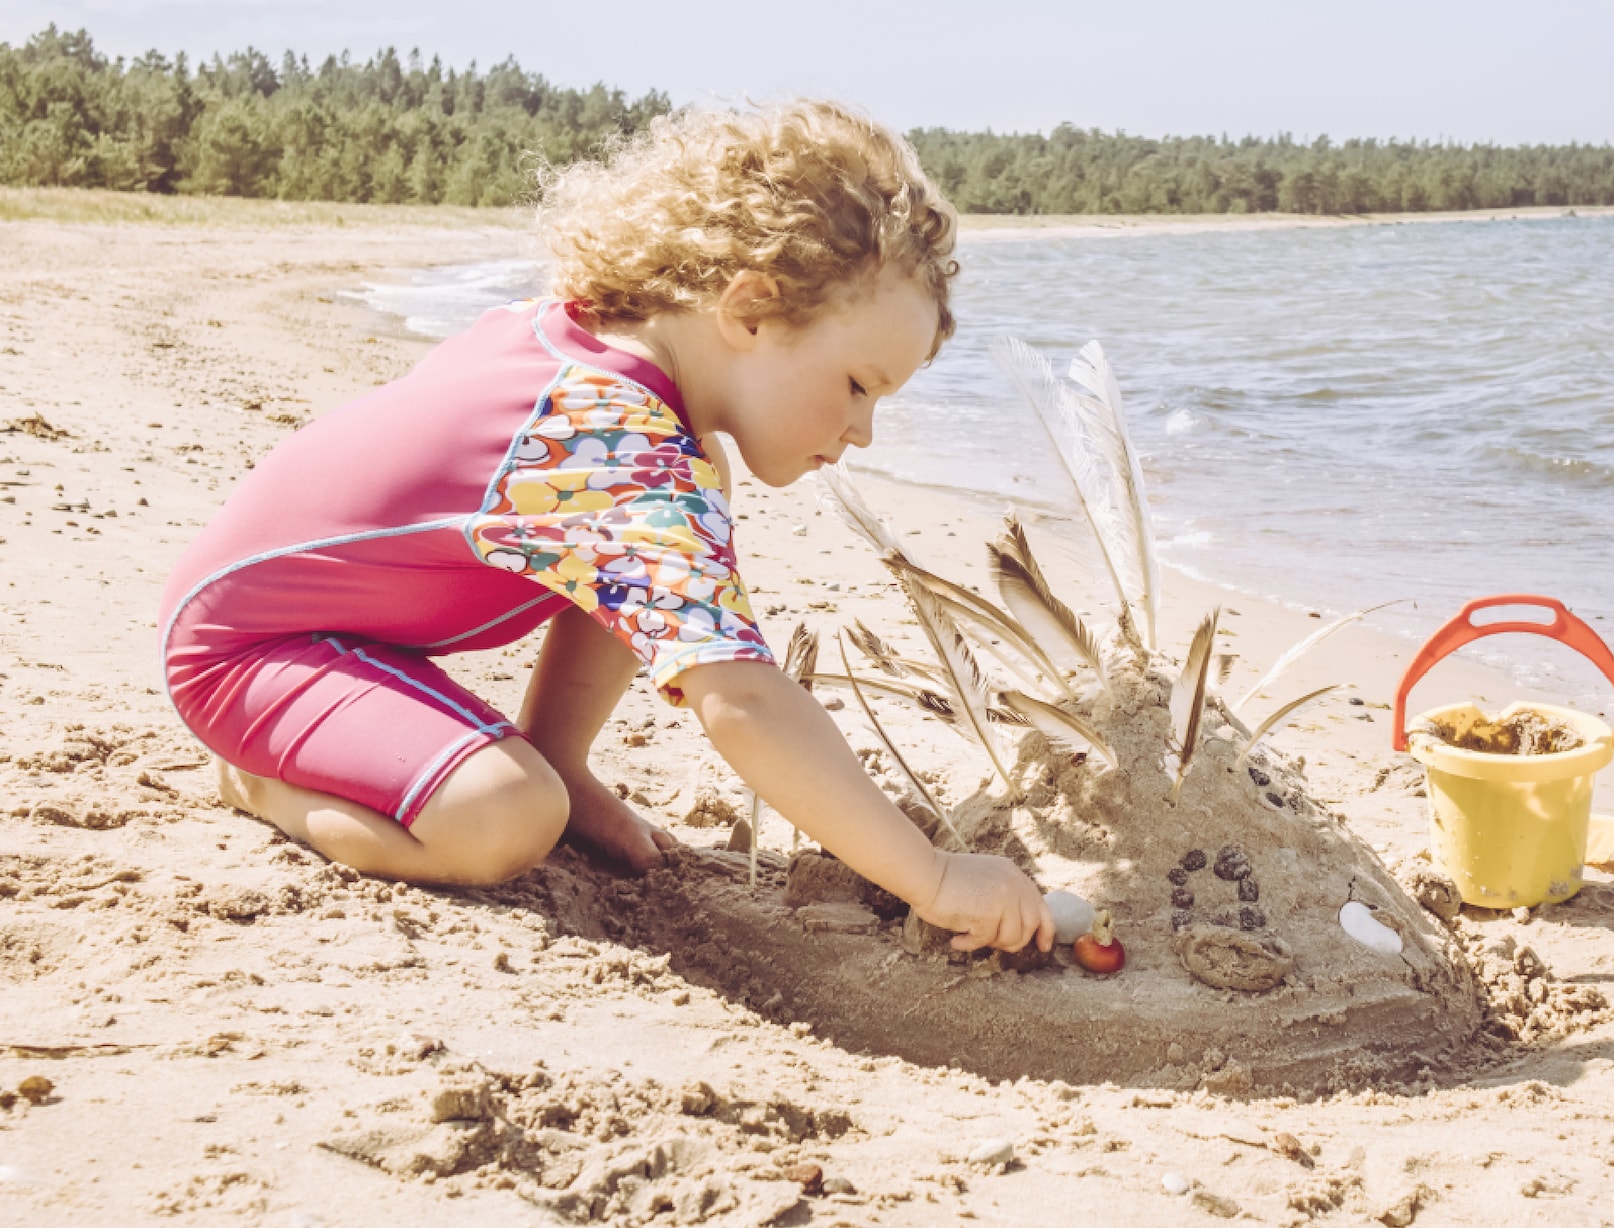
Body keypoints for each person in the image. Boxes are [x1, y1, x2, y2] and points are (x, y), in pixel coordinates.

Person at [158, 100, 1054, 955]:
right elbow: (740, 703)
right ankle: (263, 784)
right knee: (505, 815)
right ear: (747, 309)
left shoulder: (593, 356)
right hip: (251, 649)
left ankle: (560, 755)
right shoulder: (613, 443)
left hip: (327, 627)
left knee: (689, 492)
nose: (862, 432)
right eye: (859, 386)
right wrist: (932, 877)